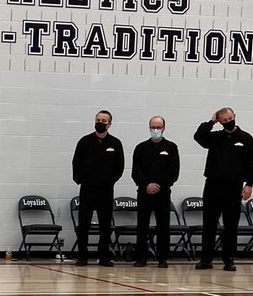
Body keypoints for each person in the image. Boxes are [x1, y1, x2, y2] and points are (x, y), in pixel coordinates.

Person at [194, 107, 253, 272]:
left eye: (230, 118)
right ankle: (206, 259)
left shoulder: (246, 138)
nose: (229, 122)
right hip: (213, 185)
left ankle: (229, 259)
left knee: (231, 225)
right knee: (209, 224)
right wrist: (211, 122)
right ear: (220, 122)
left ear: (235, 116)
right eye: (224, 120)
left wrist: (249, 184)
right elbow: (198, 137)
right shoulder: (215, 137)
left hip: (234, 186)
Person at [71, 109, 124, 266]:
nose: (100, 123)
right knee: (84, 224)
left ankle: (104, 257)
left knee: (105, 225)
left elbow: (119, 166)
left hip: (106, 190)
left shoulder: (115, 143)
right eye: (98, 120)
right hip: (87, 189)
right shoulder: (85, 141)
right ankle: (82, 256)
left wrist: (110, 180)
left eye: (103, 121)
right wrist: (80, 179)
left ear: (109, 124)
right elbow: (76, 162)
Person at [132, 115, 180, 269]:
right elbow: (136, 171)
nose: (156, 129)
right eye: (153, 126)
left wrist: (158, 185)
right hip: (144, 191)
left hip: (163, 192)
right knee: (142, 225)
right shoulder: (140, 148)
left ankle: (163, 258)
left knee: (163, 226)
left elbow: (173, 172)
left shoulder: (171, 148)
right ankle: (141, 257)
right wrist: (146, 185)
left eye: (159, 127)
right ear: (149, 127)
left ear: (164, 128)